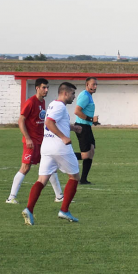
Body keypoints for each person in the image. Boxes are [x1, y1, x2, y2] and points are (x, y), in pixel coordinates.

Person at [22, 82, 83, 225]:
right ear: (65, 93)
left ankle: (29, 209)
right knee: (74, 177)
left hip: (47, 147)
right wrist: (63, 137)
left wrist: (73, 128)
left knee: (41, 180)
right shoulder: (60, 106)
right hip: (60, 147)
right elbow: (49, 123)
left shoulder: (52, 105)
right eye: (73, 94)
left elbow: (55, 123)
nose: (74, 97)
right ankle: (64, 210)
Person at [6, 78, 65, 205]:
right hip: (31, 142)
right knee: (25, 167)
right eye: (44, 87)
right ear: (37, 88)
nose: (46, 90)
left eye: (47, 87)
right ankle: (11, 197)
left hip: (42, 142)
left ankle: (59, 196)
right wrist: (27, 138)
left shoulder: (42, 102)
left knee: (51, 167)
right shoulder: (31, 102)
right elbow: (21, 120)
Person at [73, 77, 99, 185]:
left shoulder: (89, 96)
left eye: (96, 84)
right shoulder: (84, 95)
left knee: (91, 151)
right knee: (86, 155)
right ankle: (62, 156)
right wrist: (90, 119)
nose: (95, 86)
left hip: (87, 126)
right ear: (87, 85)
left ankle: (83, 179)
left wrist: (93, 122)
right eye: (93, 84)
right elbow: (77, 111)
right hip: (82, 127)